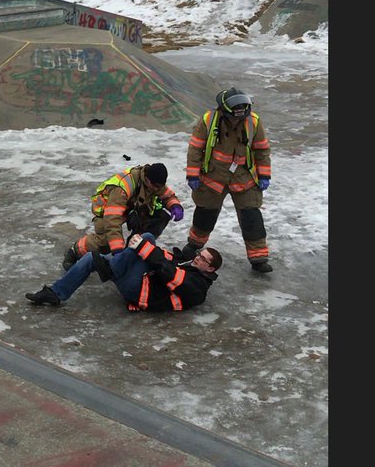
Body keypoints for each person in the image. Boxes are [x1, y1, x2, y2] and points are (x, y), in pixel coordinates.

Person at [180, 86, 273, 273]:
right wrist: (193, 174)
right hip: (213, 177)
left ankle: (258, 258)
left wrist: (264, 175)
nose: (237, 120)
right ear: (224, 110)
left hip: (243, 178)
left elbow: (262, 150)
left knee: (251, 217)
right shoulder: (209, 120)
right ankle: (194, 245)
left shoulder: (253, 121)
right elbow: (196, 148)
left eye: (240, 116)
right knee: (205, 213)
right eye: (234, 116)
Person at [26, 232, 221, 313]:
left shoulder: (198, 288)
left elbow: (168, 274)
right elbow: (166, 261)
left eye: (204, 259)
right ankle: (55, 293)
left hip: (139, 293)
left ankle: (113, 267)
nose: (198, 258)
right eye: (200, 255)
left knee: (147, 239)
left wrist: (144, 247)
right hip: (139, 282)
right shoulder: (191, 267)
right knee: (89, 259)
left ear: (210, 269)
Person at [62, 161, 184, 270]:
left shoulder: (154, 181)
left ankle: (134, 249)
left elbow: (168, 195)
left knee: (161, 216)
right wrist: (118, 250)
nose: (157, 189)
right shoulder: (122, 188)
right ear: (147, 179)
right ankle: (75, 251)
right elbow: (112, 222)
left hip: (131, 208)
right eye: (156, 186)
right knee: (106, 241)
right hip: (106, 211)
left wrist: (175, 206)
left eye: (160, 186)